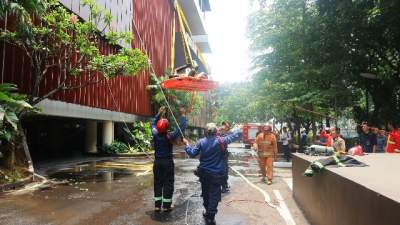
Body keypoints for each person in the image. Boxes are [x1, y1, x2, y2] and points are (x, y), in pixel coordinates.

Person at [183, 123, 242, 225]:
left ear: (206, 132)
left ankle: (208, 212)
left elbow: (192, 153)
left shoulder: (201, 142)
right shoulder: (221, 141)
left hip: (204, 173)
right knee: (214, 194)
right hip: (216, 174)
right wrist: (238, 128)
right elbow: (237, 135)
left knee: (205, 193)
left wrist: (187, 145)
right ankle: (211, 215)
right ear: (216, 132)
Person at [151, 106, 187, 212]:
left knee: (157, 183)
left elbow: (152, 123)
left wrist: (159, 113)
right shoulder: (170, 136)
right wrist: (183, 115)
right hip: (167, 163)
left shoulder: (155, 134)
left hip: (157, 162)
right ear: (167, 127)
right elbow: (181, 127)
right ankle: (167, 206)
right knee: (168, 183)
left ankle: (157, 206)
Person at [218, 121, 231, 193]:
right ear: (224, 126)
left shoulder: (216, 131)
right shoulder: (221, 132)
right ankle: (224, 186)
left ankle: (223, 185)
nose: (227, 129)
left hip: (217, 154)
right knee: (224, 171)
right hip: (221, 155)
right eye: (227, 127)